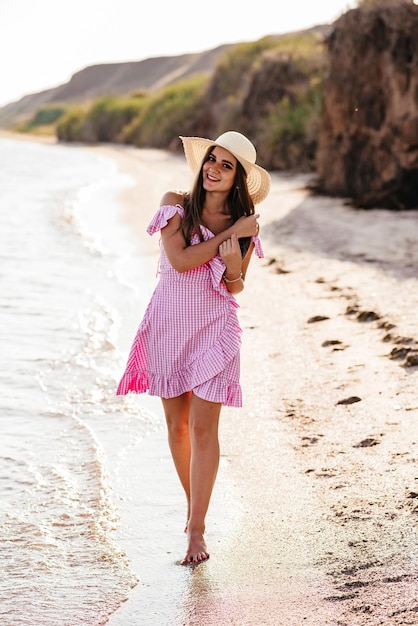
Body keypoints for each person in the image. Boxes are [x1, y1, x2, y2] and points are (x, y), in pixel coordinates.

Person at [116, 131, 271, 565]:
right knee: (178, 427)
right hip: (169, 324)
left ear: (238, 177)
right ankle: (193, 507)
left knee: (204, 430)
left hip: (214, 329)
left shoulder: (244, 222)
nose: (214, 169)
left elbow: (234, 286)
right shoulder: (175, 205)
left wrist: (237, 259)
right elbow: (181, 261)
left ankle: (197, 530)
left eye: (226, 165)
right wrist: (235, 233)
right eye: (212, 159)